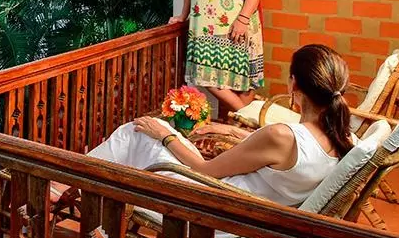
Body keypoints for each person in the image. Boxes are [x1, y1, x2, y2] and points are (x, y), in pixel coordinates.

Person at [67, 44, 354, 209]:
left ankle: (69, 183)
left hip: (214, 202)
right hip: (246, 204)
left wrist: (165, 136)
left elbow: (204, 170)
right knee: (149, 133)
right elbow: (280, 156)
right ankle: (78, 188)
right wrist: (231, 130)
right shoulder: (343, 137)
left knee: (138, 130)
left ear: (294, 85)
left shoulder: (282, 136)